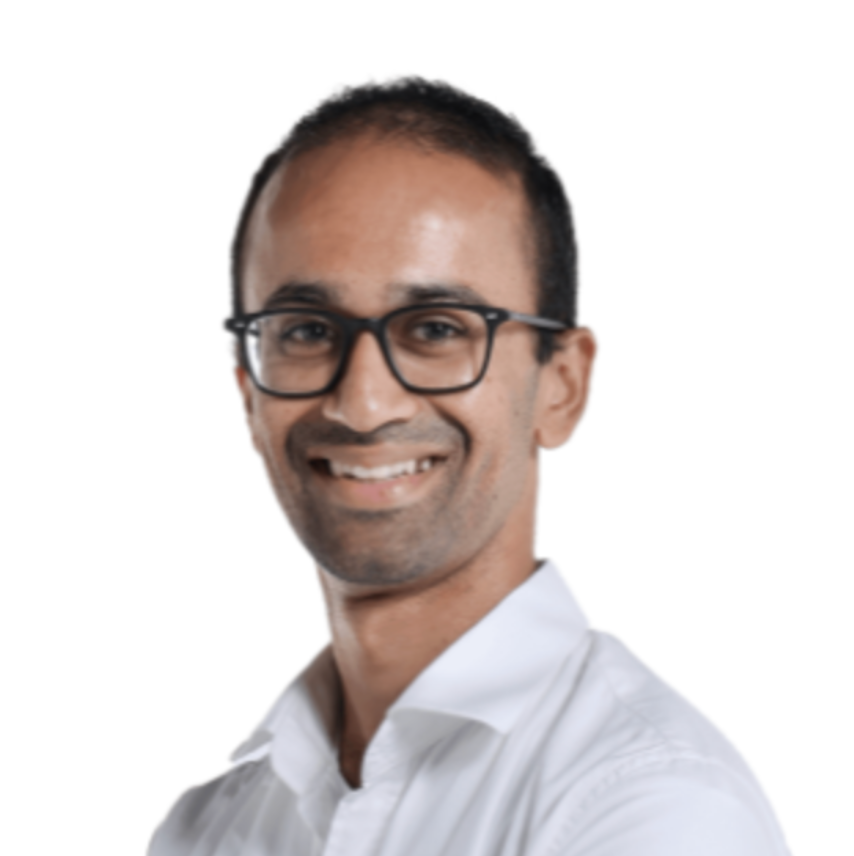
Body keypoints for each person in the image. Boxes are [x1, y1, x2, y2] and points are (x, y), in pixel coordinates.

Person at [149, 78, 790, 855]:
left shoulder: (653, 809)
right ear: (249, 395)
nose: (363, 404)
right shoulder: (207, 831)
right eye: (307, 330)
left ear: (561, 386)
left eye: (437, 329)